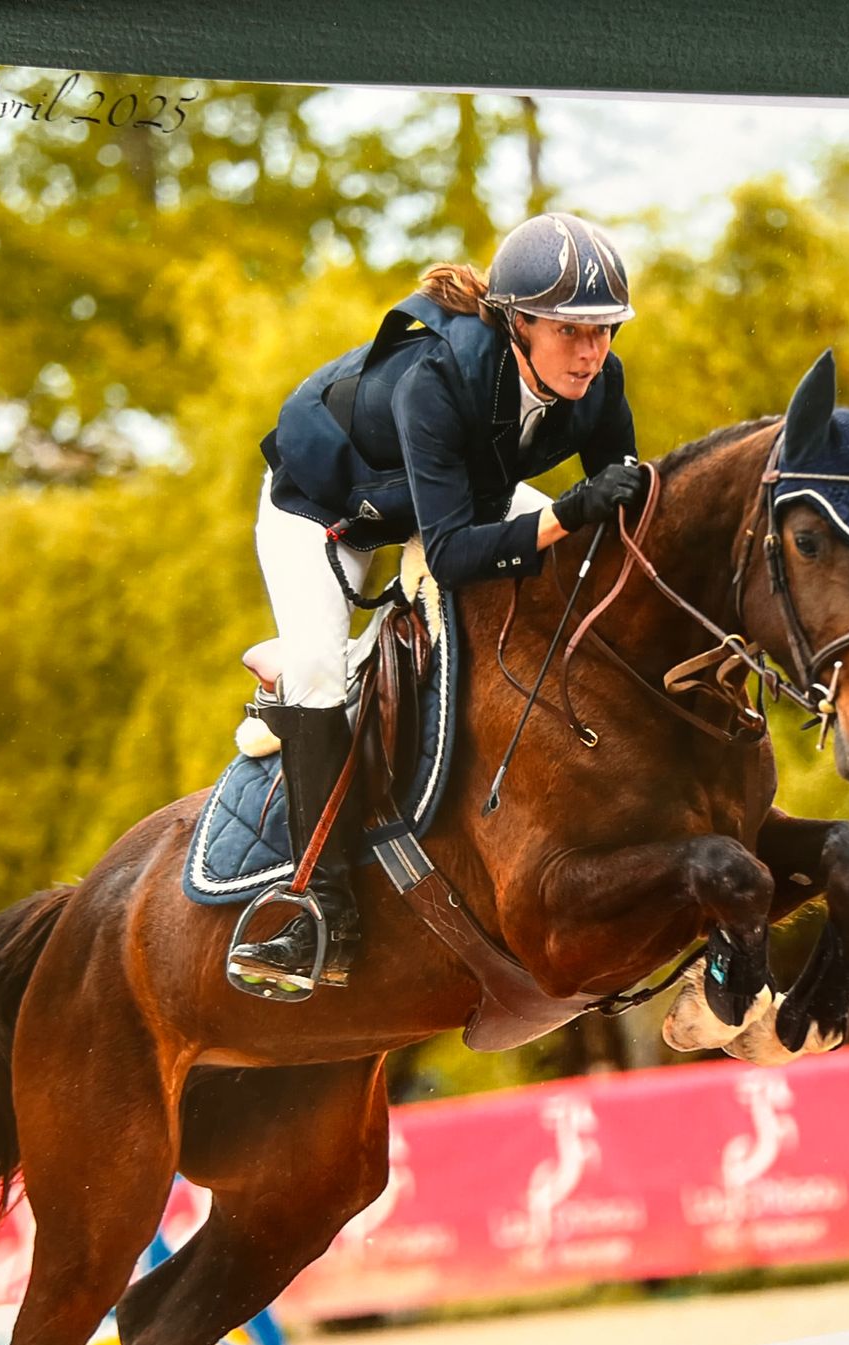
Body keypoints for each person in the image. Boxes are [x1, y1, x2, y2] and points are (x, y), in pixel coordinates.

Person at [229, 213, 646, 991]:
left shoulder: (599, 379)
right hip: (326, 507)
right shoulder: (435, 378)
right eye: (570, 331)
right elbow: (454, 553)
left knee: (566, 556)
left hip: (447, 498)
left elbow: (620, 515)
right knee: (322, 669)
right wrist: (565, 512)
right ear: (517, 323)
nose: (591, 352)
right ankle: (318, 904)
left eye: (605, 331)